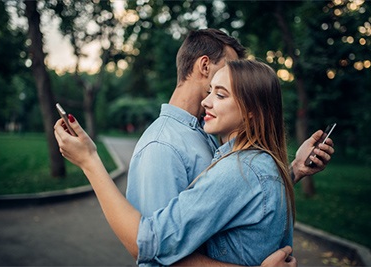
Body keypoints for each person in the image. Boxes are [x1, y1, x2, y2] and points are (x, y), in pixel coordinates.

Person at [54, 59, 297, 266]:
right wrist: (294, 171)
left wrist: (89, 161)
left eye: (220, 94)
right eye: (210, 90)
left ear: (252, 112)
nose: (206, 101)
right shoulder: (261, 164)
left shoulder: (240, 169)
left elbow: (149, 242)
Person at [124, 29, 334, 265]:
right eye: (231, 66)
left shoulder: (209, 132)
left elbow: (237, 194)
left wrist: (294, 170)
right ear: (205, 66)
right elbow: (155, 253)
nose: (237, 76)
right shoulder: (162, 145)